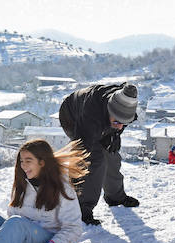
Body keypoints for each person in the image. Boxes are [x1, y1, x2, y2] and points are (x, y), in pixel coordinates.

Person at [59, 82, 140, 225]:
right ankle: (81, 208)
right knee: (94, 159)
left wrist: (115, 134)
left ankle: (115, 197)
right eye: (117, 122)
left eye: (124, 123)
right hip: (71, 116)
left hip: (101, 118)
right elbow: (80, 156)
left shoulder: (124, 102)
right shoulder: (90, 116)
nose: (121, 126)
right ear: (110, 110)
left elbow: (119, 117)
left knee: (112, 155)